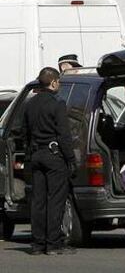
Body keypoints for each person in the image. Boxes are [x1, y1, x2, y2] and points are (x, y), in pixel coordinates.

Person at [22, 67, 77, 255]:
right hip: (54, 157)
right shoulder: (57, 104)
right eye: (58, 81)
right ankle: (53, 244)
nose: (59, 84)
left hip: (36, 155)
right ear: (53, 82)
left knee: (38, 201)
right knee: (56, 200)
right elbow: (64, 135)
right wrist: (70, 159)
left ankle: (37, 244)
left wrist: (29, 154)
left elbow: (25, 132)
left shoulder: (29, 104)